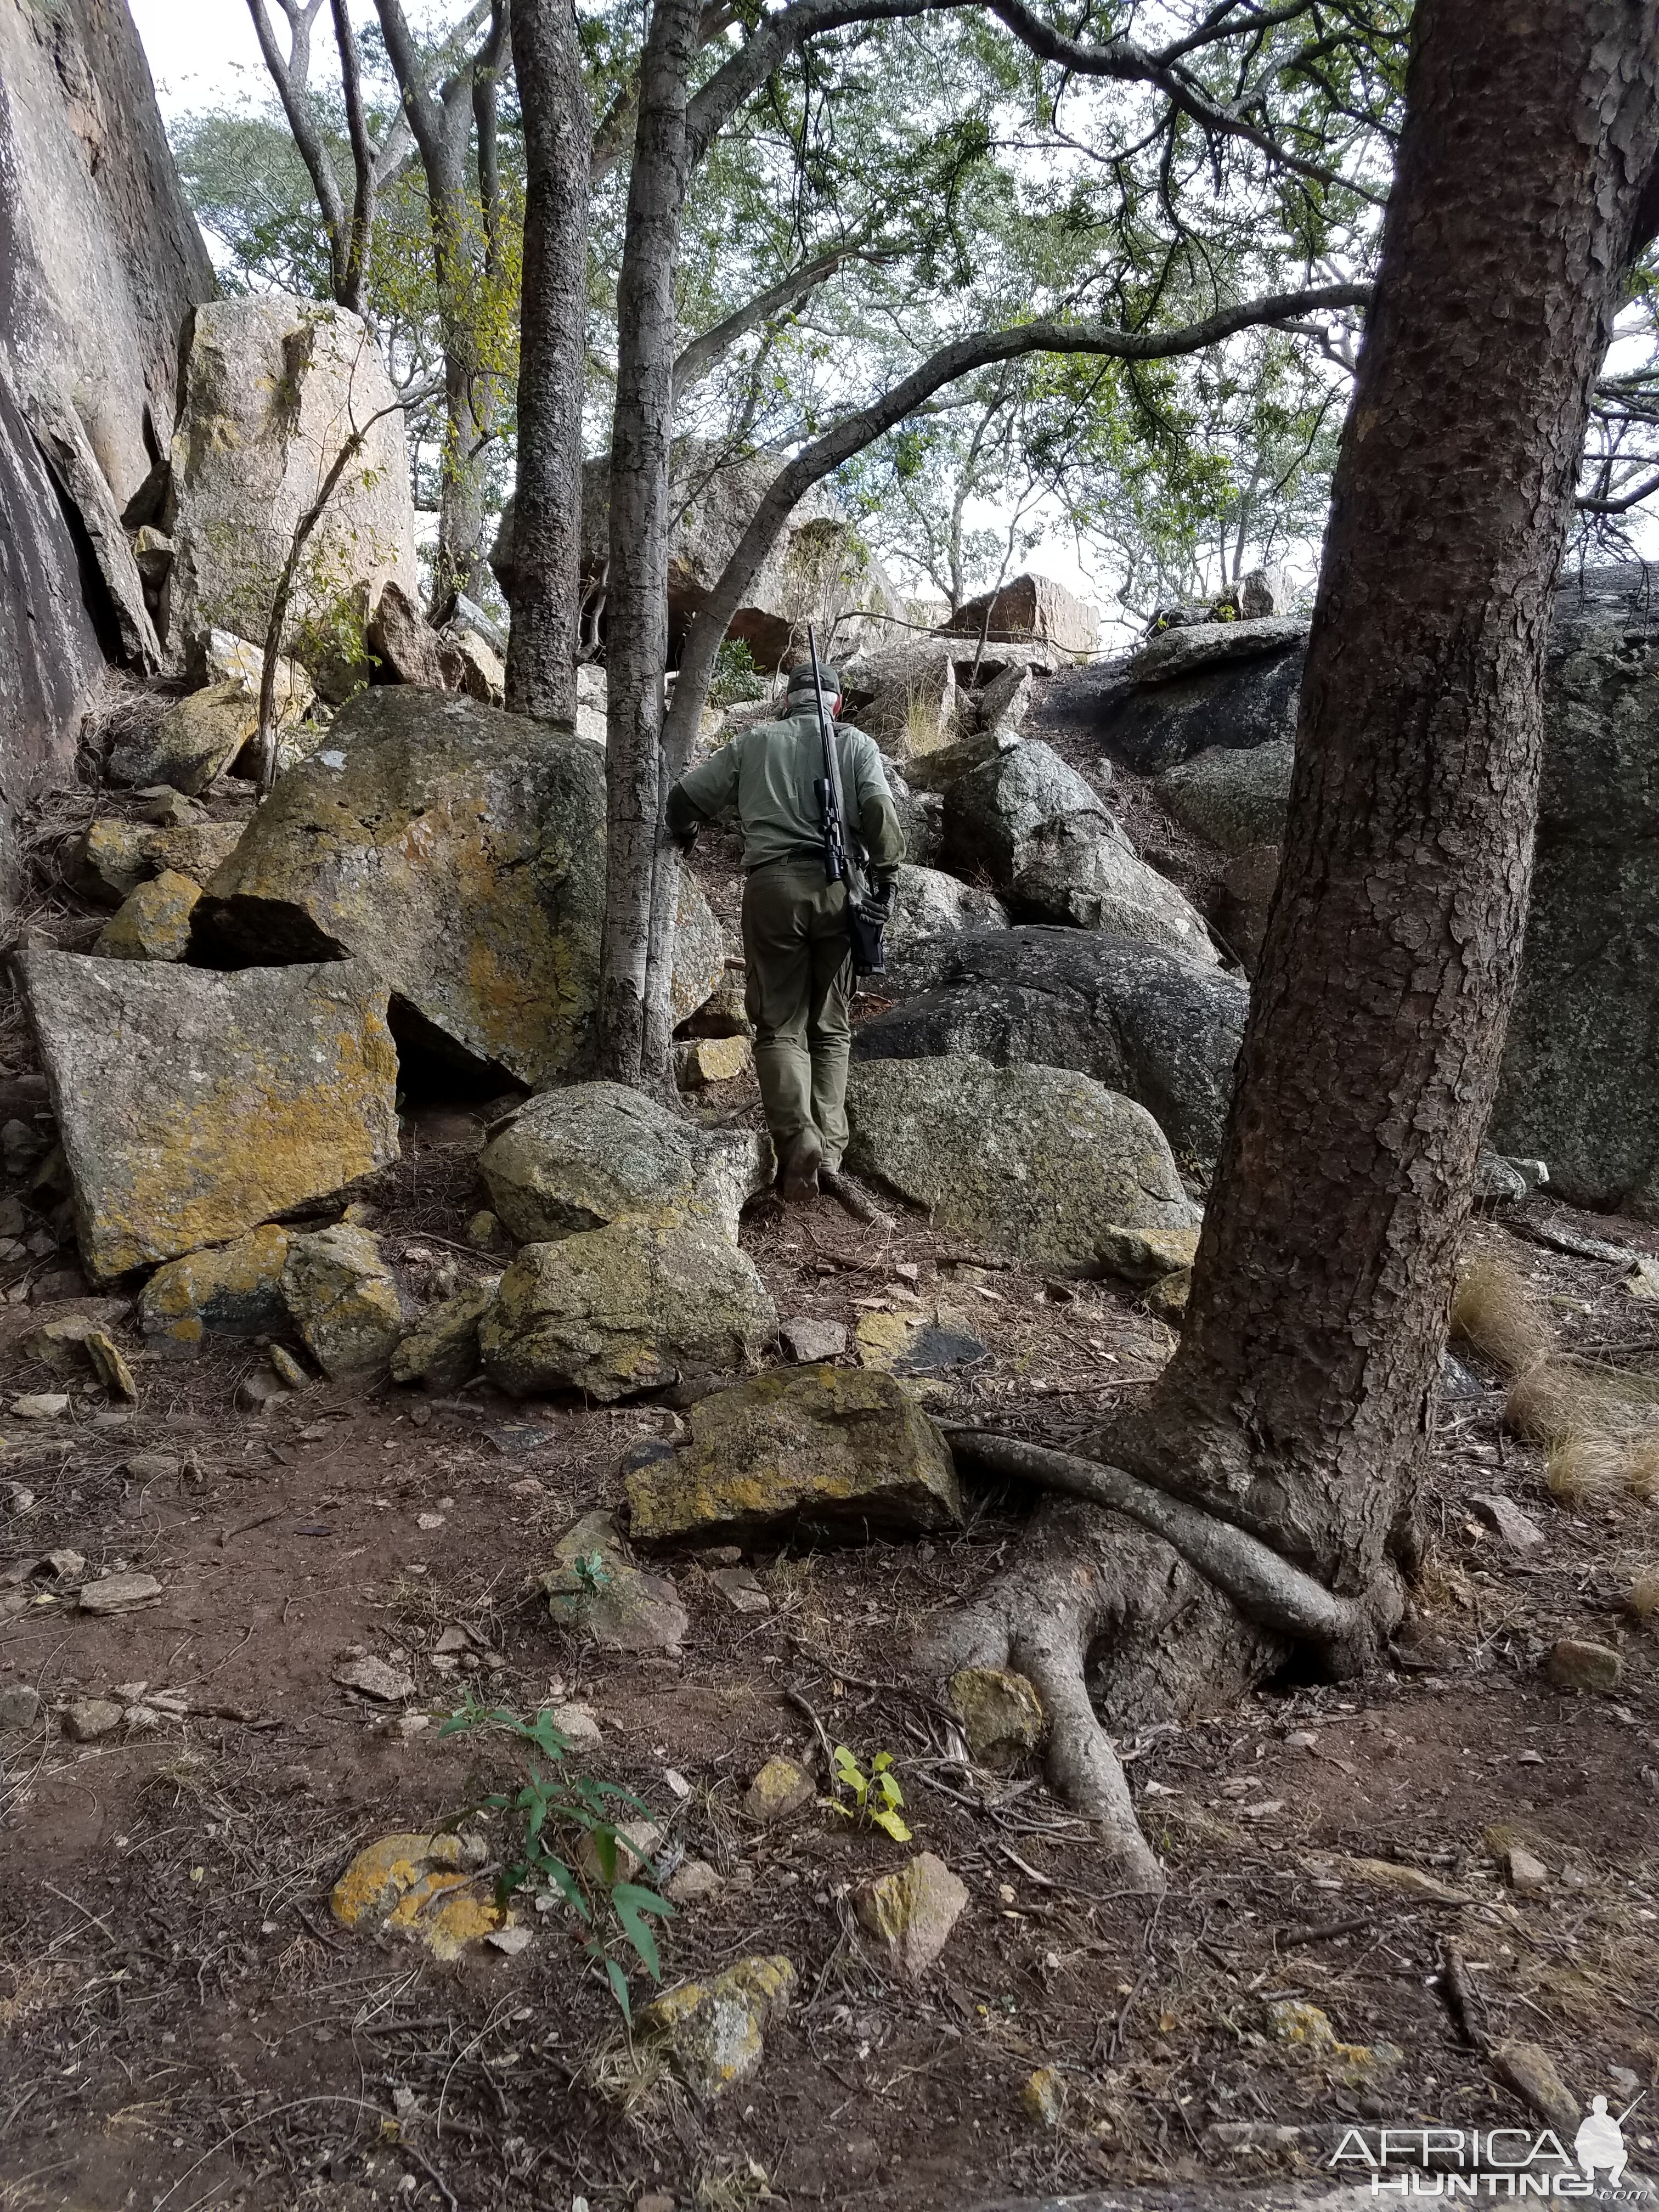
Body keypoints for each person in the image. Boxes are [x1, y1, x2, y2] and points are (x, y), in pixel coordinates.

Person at [665, 660, 904, 1198]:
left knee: (779, 1026)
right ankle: (832, 1154)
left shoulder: (755, 741)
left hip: (772, 889)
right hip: (843, 890)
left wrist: (684, 833)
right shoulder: (856, 744)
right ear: (836, 705)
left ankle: (798, 1141)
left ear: (786, 700)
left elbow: (683, 800)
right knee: (832, 1027)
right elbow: (880, 817)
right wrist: (884, 882)